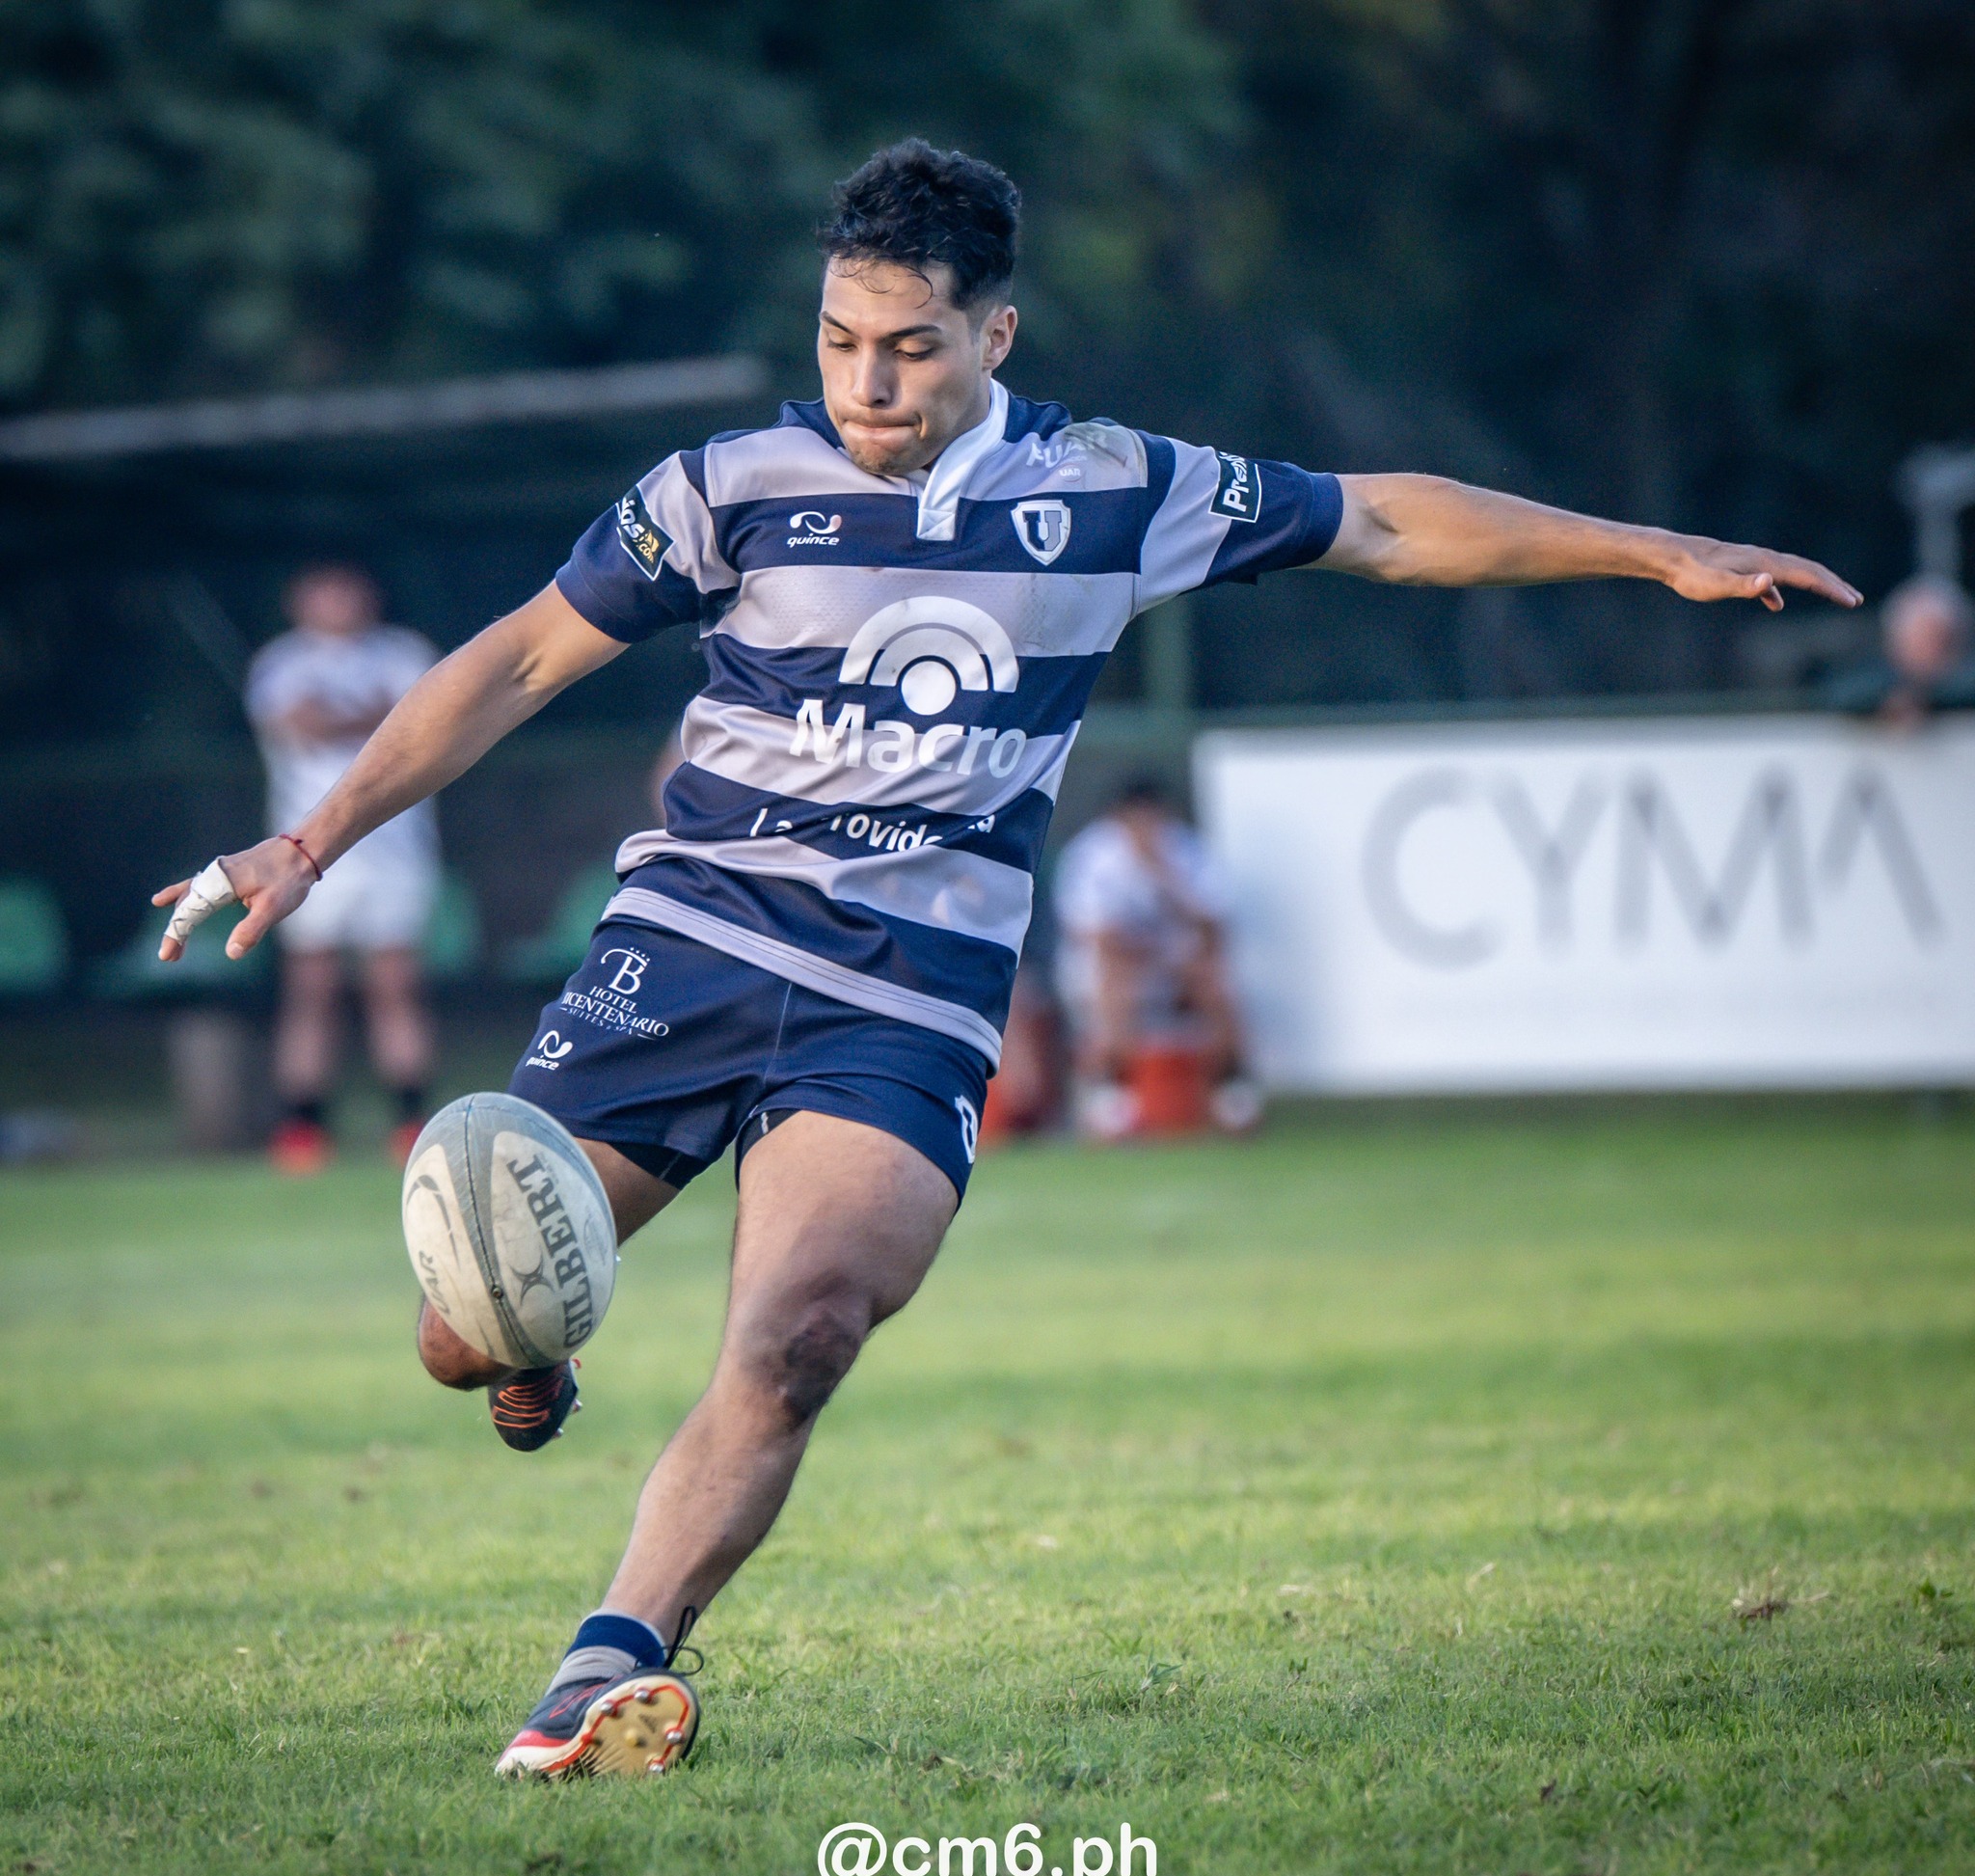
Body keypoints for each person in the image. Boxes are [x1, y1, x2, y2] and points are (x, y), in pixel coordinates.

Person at [155, 140, 1859, 1779]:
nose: (867, 383)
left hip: (909, 991)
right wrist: (308, 839)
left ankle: (605, 1665)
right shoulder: (727, 491)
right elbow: (523, 659)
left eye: (908, 348)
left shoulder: (1113, 489)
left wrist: (1652, 550)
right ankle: (530, 1351)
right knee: (460, 1335)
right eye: (838, 344)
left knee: (801, 1327)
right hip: (686, 946)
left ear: (995, 334)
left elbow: (1387, 524)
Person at [245, 566, 441, 1171]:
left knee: (394, 985)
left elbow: (424, 727)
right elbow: (301, 725)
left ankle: (410, 1122)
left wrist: (359, 719)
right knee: (312, 988)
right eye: (322, 591)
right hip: (306, 853)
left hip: (396, 853)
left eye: (348, 589)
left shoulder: (406, 653)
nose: (337, 602)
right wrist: (370, 718)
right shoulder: (280, 663)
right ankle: (304, 1127)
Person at [1054, 775, 1256, 1137]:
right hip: (1111, 969)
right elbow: (1094, 936)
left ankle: (1233, 1095)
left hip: (1172, 965)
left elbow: (1214, 928)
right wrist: (1149, 952)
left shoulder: (1185, 850)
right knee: (1115, 979)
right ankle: (1111, 1099)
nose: (1146, 828)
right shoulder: (1093, 854)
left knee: (1212, 978)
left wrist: (1163, 875)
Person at [1824, 572, 1975, 727]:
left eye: (1940, 641)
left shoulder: (1965, 689)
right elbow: (1835, 697)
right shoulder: (1865, 684)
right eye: (1919, 641)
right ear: (1895, 643)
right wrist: (1888, 700)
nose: (1930, 650)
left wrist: (1927, 700)